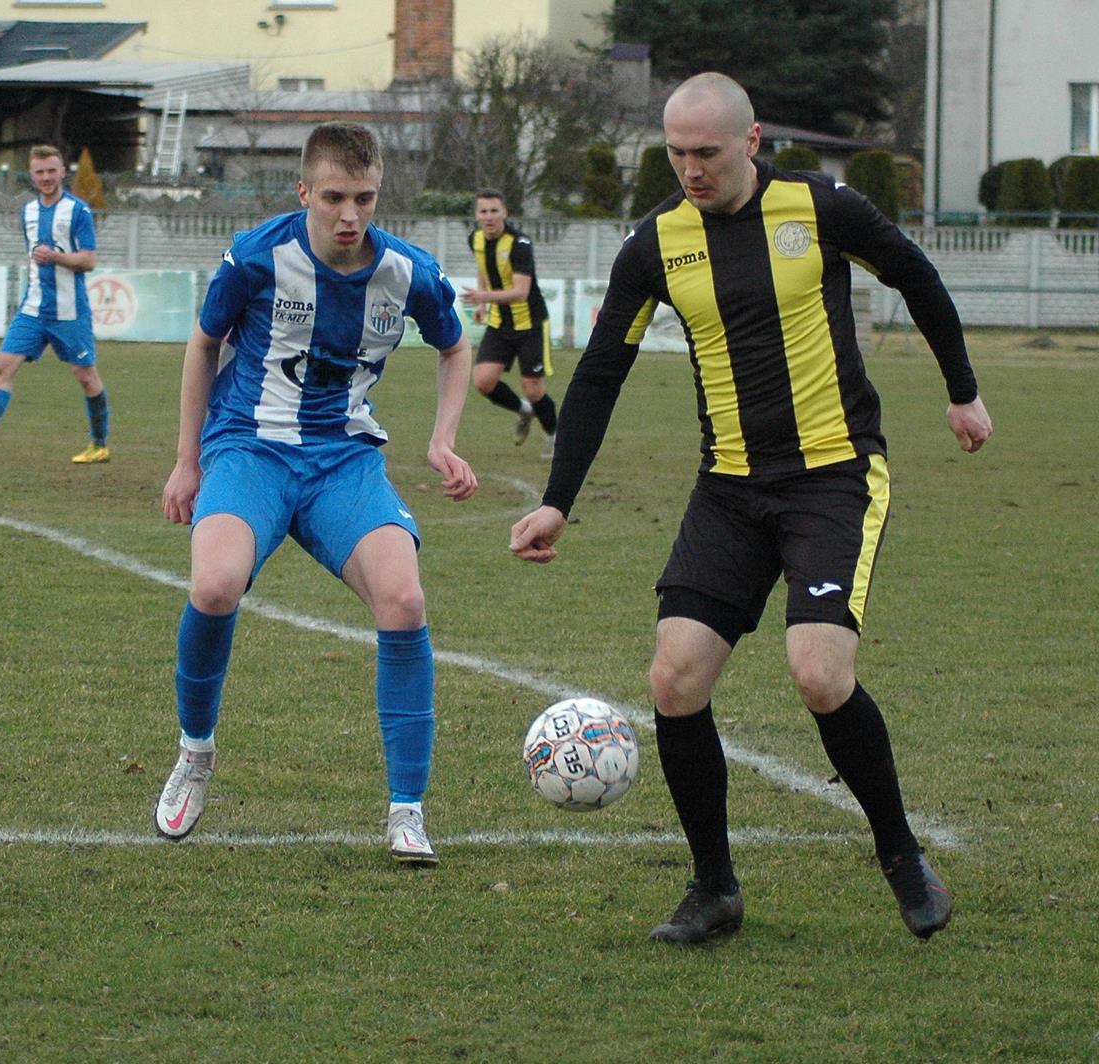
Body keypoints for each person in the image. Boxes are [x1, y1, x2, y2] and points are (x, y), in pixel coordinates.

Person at [510, 73, 993, 943]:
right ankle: (714, 890)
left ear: (752, 140)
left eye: (706, 152)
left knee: (818, 673)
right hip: (728, 487)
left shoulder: (824, 209)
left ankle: (900, 855)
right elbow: (600, 376)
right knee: (675, 677)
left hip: (833, 478)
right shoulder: (655, 243)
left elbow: (918, 279)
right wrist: (556, 501)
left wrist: (962, 392)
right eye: (676, 153)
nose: (689, 169)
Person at [154, 123, 478, 865]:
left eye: (364, 198)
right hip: (250, 448)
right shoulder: (256, 257)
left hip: (343, 461)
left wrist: (442, 439)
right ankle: (196, 752)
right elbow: (204, 345)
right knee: (214, 585)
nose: (349, 215)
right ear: (304, 192)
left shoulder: (409, 271)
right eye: (334, 197)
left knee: (405, 602)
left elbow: (455, 347)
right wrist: (185, 460)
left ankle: (407, 811)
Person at [0, 145, 111, 464]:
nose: (46, 177)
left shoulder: (78, 211)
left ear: (62, 172)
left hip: (69, 311)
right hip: (32, 309)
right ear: (31, 176)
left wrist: (57, 257)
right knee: (3, 365)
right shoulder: (28, 212)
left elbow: (89, 260)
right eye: (39, 172)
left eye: (51, 171)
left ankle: (99, 444)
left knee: (86, 375)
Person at [460, 189, 557, 453]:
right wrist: (482, 303)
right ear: (477, 215)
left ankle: (553, 434)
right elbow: (483, 266)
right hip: (500, 324)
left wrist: (483, 296)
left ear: (504, 212)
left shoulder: (519, 244)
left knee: (534, 389)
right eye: (483, 211)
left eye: (494, 211)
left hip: (530, 325)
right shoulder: (476, 239)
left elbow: (520, 292)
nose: (489, 216)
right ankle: (524, 411)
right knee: (483, 381)